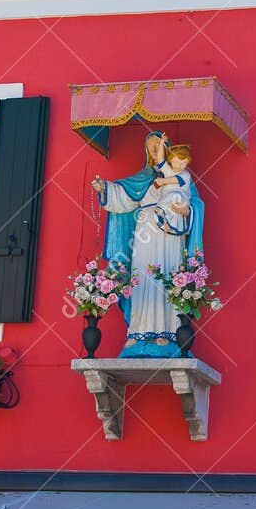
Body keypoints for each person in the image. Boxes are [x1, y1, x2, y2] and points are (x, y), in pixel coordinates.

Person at [92, 134, 204, 357]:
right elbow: (123, 197)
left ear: (166, 148)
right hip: (145, 234)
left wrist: (187, 211)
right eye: (150, 147)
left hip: (170, 236)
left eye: (158, 146)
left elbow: (196, 205)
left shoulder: (180, 176)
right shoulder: (142, 178)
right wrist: (104, 188)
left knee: (168, 275)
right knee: (142, 277)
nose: (154, 151)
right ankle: (138, 332)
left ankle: (167, 333)